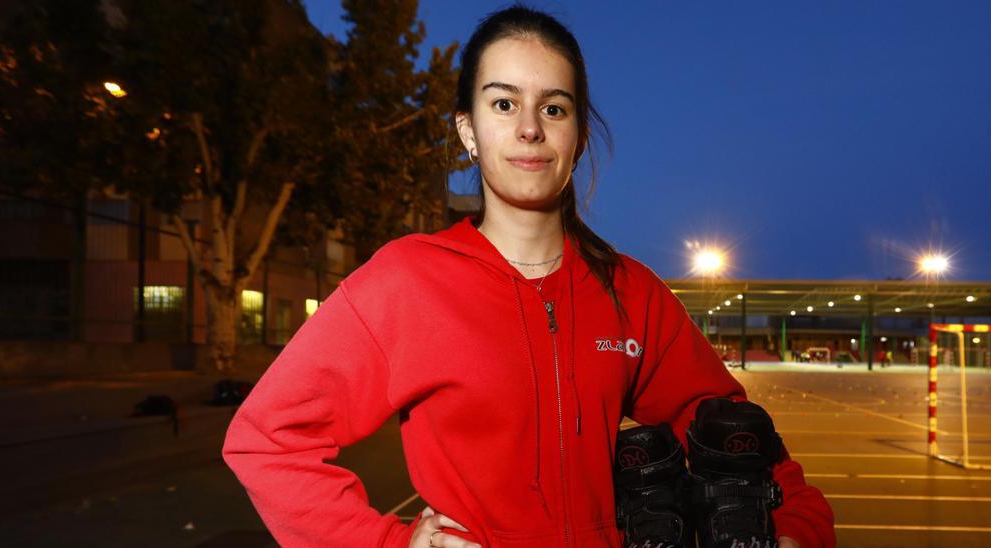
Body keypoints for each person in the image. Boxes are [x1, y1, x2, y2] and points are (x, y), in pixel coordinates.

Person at [221, 6, 834, 548]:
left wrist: (799, 521)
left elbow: (725, 424)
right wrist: (384, 540)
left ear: (579, 135)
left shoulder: (630, 291)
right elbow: (265, 439)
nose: (529, 128)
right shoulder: (405, 281)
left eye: (554, 107)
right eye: (504, 102)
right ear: (468, 130)